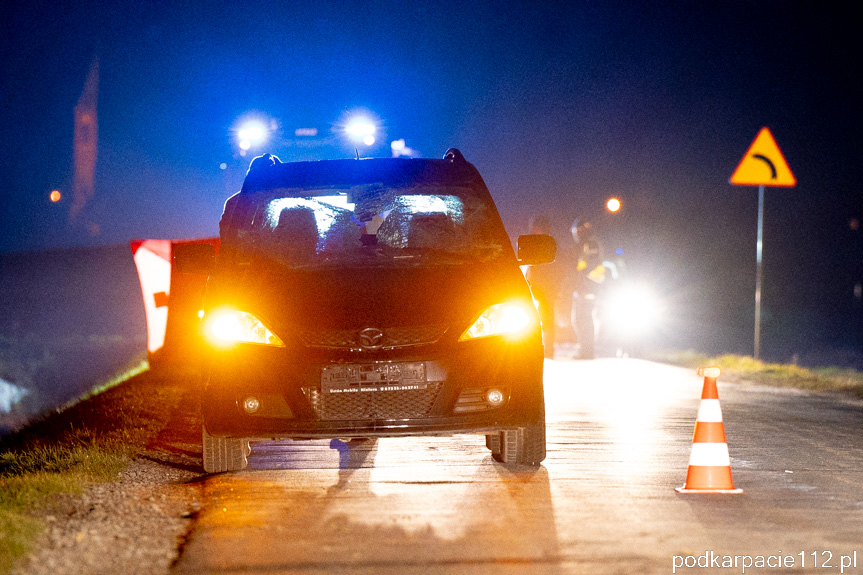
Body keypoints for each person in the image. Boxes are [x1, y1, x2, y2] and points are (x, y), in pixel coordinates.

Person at [524, 215, 562, 358]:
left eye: (538, 228)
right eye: (534, 228)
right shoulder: (530, 243)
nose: (535, 230)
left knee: (546, 319)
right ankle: (530, 350)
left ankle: (548, 350)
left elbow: (558, 267)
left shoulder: (550, 244)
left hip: (547, 288)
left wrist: (556, 287)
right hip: (532, 286)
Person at [570, 218, 604, 359]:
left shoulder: (590, 243)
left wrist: (581, 276)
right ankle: (585, 349)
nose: (578, 234)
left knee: (584, 319)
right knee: (580, 318)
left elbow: (592, 263)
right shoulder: (586, 243)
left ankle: (587, 350)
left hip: (589, 286)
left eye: (579, 231)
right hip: (584, 285)